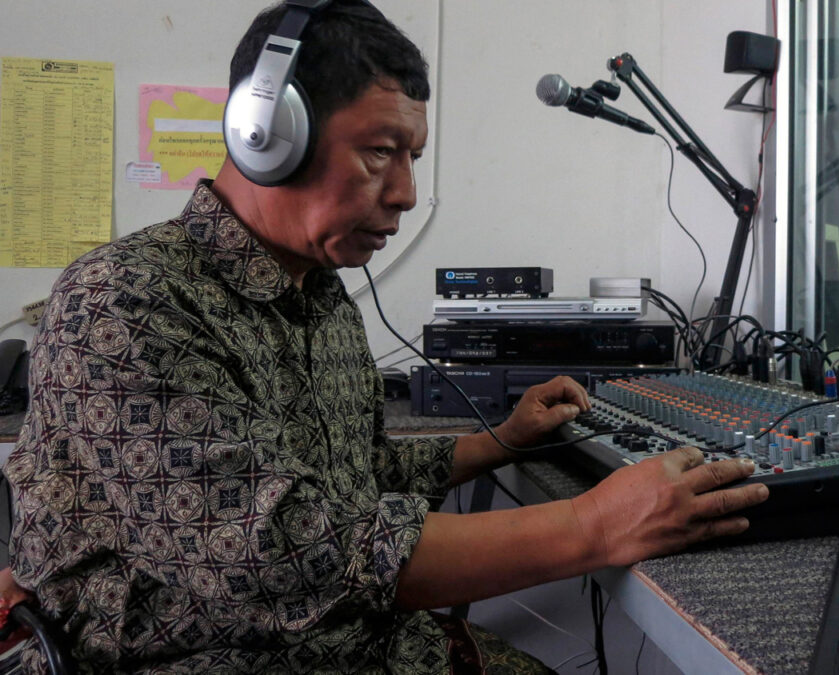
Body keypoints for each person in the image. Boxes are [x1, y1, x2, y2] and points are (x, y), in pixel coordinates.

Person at [3, 1, 769, 672]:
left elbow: (357, 469)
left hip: (362, 644)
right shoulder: (125, 300)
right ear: (266, 135)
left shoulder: (321, 292)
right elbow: (281, 553)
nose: (403, 193)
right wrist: (593, 525)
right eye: (380, 153)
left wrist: (501, 440)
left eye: (413, 159)